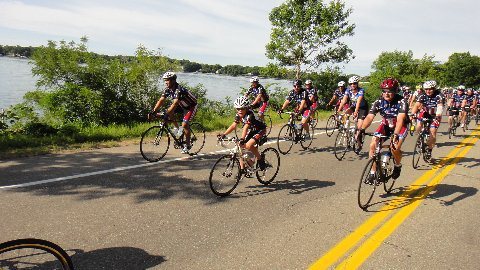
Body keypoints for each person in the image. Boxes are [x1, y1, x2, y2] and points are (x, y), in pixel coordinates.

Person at [359, 78, 408, 180]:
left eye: (390, 91)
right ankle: (373, 172)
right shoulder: (378, 101)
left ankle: (398, 166)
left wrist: (395, 135)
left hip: (400, 126)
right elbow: (369, 117)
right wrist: (361, 129)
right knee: (373, 145)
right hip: (386, 125)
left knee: (395, 148)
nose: (386, 94)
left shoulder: (402, 101)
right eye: (384, 91)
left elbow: (400, 120)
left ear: (395, 91)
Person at [149, 71, 198, 154]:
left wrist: (166, 114)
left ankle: (188, 145)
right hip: (182, 105)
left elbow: (175, 104)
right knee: (169, 112)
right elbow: (161, 100)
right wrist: (153, 111)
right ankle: (178, 129)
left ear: (173, 80)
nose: (165, 82)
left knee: (185, 124)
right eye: (165, 80)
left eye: (167, 80)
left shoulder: (179, 90)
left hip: (191, 107)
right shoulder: (168, 89)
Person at [218, 96, 267, 170]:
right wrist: (224, 134)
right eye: (238, 109)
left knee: (248, 145)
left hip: (260, 130)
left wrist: (242, 139)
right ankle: (242, 169)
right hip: (251, 130)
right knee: (240, 147)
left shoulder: (250, 115)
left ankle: (260, 159)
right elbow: (233, 126)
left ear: (246, 108)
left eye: (242, 108)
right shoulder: (238, 115)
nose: (240, 110)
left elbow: (245, 128)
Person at [410, 80, 444, 161]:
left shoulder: (439, 95)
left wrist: (438, 114)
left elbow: (440, 106)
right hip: (425, 113)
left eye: (430, 89)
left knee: (433, 131)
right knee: (418, 125)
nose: (428, 91)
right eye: (426, 89)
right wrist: (412, 114)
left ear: (434, 88)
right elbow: (417, 105)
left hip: (435, 115)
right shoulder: (422, 95)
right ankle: (419, 138)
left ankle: (429, 150)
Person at [337, 75, 368, 150]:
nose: (352, 85)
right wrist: (338, 110)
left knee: (359, 127)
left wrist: (356, 112)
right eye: (351, 84)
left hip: (362, 108)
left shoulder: (361, 90)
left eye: (354, 83)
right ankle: (346, 130)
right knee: (345, 113)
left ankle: (359, 143)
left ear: (357, 84)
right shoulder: (348, 90)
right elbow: (344, 100)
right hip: (353, 106)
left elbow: (358, 101)